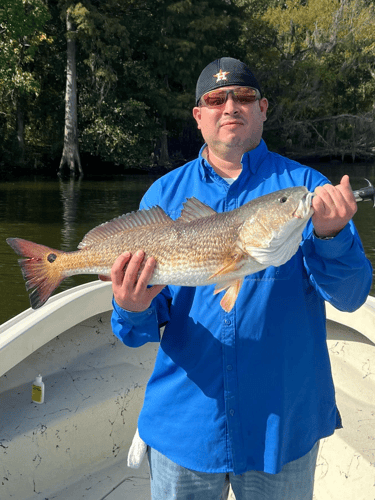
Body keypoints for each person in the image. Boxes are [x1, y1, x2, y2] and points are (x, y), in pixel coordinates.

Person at [105, 58, 372, 499]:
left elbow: (350, 296)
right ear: (199, 116)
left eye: (244, 96)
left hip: (282, 426)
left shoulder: (305, 188)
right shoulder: (163, 196)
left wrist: (332, 234)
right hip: (186, 425)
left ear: (263, 108)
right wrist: (131, 308)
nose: (230, 106)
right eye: (215, 98)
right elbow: (137, 332)